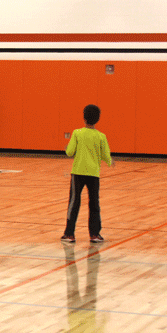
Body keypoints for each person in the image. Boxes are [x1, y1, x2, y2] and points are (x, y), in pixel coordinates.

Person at [61, 104, 113, 244]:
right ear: (98, 119)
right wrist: (110, 162)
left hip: (78, 173)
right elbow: (106, 155)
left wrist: (67, 148)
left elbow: (70, 152)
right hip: (94, 174)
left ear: (84, 118)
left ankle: (69, 234)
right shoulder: (101, 136)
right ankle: (95, 234)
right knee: (94, 203)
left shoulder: (77, 133)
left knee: (74, 202)